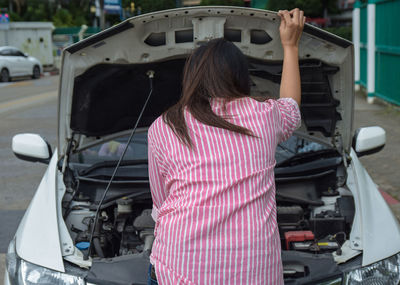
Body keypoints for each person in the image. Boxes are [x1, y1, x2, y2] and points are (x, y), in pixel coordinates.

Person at [147, 8, 305, 285]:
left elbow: (161, 203)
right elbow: (291, 106)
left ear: (191, 77)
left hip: (179, 268)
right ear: (241, 76)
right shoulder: (263, 116)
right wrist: (290, 46)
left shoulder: (165, 125)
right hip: (254, 273)